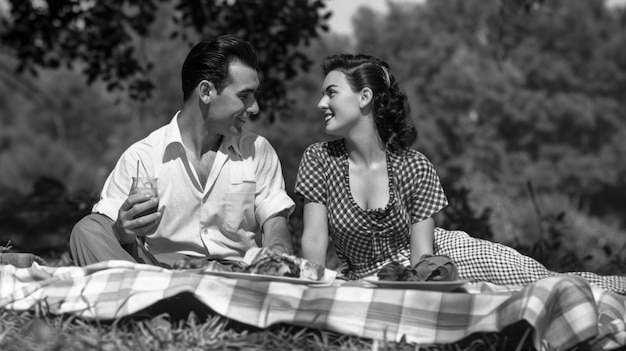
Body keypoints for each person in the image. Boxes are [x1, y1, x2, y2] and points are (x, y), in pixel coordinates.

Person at [295, 53, 626, 294]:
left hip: (441, 260)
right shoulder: (319, 159)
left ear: (364, 97)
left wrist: (412, 286)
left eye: (331, 93)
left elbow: (422, 258)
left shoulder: (415, 166)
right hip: (364, 279)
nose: (320, 103)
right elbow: (313, 237)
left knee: (547, 284)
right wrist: (313, 291)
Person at [69, 35, 295, 268]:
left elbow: (275, 223)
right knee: (87, 230)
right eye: (244, 96)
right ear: (206, 91)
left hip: (236, 277)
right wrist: (121, 231)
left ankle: (147, 301)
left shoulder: (258, 150)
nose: (255, 108)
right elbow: (107, 230)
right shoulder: (143, 156)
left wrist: (278, 254)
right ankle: (158, 298)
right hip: (163, 276)